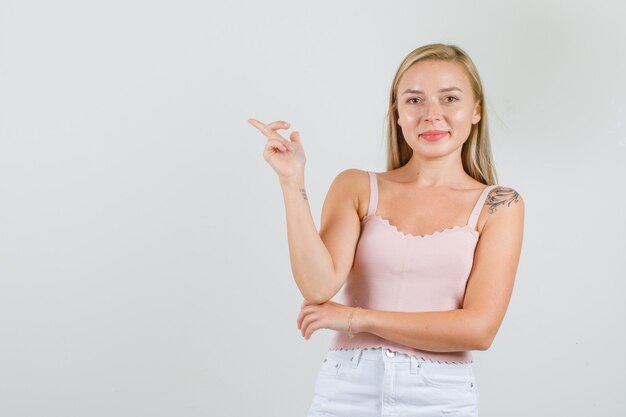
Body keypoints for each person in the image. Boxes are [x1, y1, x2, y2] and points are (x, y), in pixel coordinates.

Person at [248, 43, 524, 417]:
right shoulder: (357, 186)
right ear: (397, 114)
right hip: (346, 391)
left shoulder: (499, 205)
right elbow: (317, 286)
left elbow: (479, 329)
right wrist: (291, 180)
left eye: (449, 99)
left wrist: (356, 318)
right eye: (414, 101)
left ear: (476, 111)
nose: (431, 115)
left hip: (441, 396)